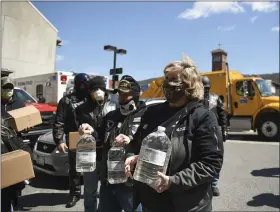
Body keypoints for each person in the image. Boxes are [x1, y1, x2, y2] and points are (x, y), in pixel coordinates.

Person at [125, 55, 224, 212]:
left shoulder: (202, 117)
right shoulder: (151, 113)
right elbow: (136, 143)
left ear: (188, 85)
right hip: (151, 202)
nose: (167, 84)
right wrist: (132, 155)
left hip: (187, 205)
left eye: (173, 80)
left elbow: (211, 163)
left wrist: (173, 181)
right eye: (166, 79)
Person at [80, 75, 145, 212]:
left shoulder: (146, 116)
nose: (121, 98)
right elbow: (99, 135)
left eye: (125, 95)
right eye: (119, 94)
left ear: (135, 95)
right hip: (108, 180)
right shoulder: (112, 116)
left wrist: (131, 140)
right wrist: (91, 130)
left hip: (131, 184)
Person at [75, 76, 117, 212]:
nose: (98, 92)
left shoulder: (114, 106)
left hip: (107, 154)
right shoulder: (82, 109)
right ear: (90, 92)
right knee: (89, 191)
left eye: (100, 89)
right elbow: (74, 129)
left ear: (105, 90)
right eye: (94, 89)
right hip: (89, 153)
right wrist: (80, 129)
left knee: (107, 191)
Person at [53, 73, 90, 208]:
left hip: (91, 137)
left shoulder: (91, 99)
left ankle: (90, 193)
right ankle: (74, 193)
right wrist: (59, 140)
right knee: (74, 169)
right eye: (81, 84)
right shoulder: (66, 101)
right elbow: (59, 121)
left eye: (85, 84)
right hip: (74, 137)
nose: (83, 87)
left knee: (91, 167)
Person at [1, 76, 30, 212]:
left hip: (15, 144)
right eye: (5, 87)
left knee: (16, 182)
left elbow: (25, 124)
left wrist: (27, 126)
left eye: (10, 88)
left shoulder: (19, 104)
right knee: (5, 183)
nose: (8, 90)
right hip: (2, 146)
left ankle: (15, 202)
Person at [202, 76, 228, 196]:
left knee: (216, 158)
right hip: (200, 131)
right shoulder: (195, 99)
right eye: (203, 87)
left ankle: (213, 184)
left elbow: (222, 114)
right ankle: (203, 184)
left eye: (207, 87)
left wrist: (225, 130)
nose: (205, 90)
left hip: (215, 131)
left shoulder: (216, 98)